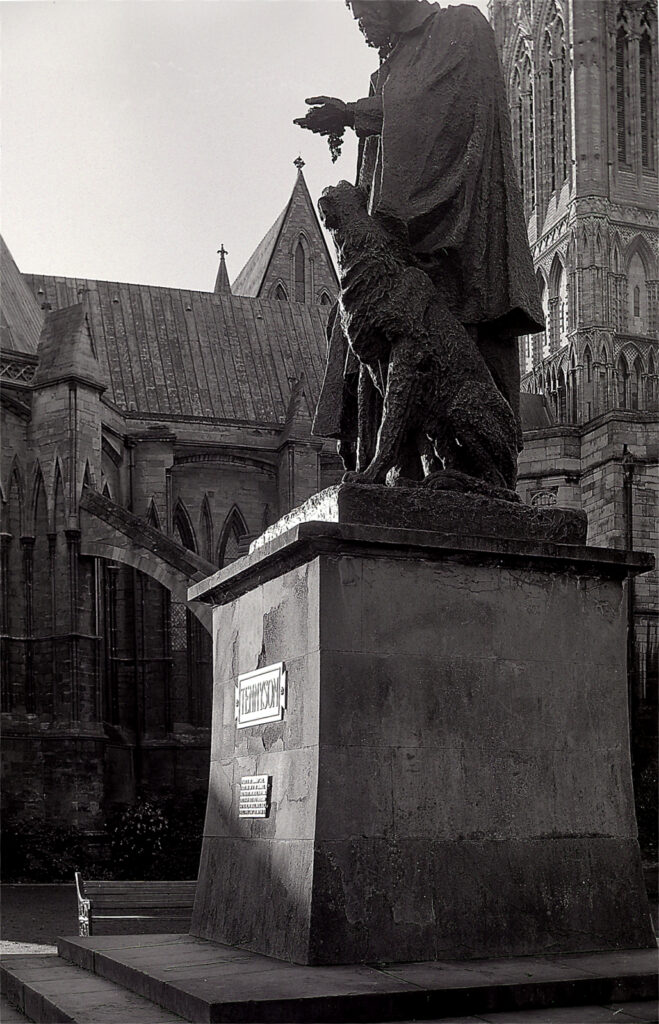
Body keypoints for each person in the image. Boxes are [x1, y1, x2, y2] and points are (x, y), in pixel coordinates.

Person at [295, 0, 544, 472]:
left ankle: (461, 471)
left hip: (453, 241)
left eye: (359, 2)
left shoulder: (460, 27)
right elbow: (375, 178)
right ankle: (395, 468)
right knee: (366, 344)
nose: (356, 17)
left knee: (444, 362)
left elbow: (437, 108)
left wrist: (353, 113)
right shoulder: (389, 65)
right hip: (395, 256)